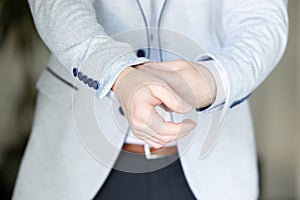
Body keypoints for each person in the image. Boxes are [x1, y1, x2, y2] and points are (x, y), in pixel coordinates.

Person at [13, 0, 288, 199]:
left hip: (212, 166)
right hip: (75, 157)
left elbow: (262, 20)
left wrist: (212, 79)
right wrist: (117, 73)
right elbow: (58, 6)